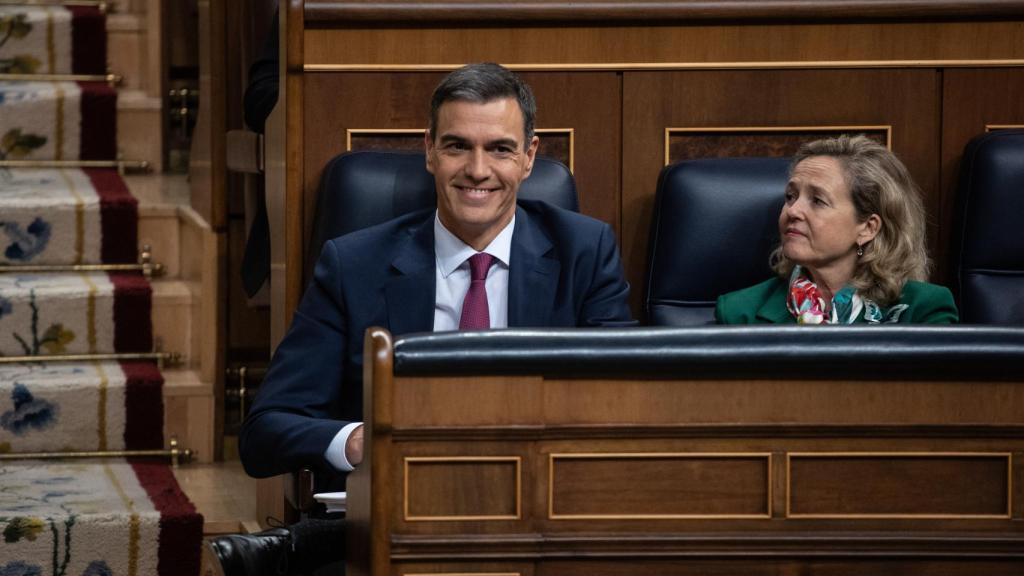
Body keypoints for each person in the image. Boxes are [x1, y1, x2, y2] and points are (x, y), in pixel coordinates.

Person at [214, 63, 634, 575]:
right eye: (458, 145)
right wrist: (357, 441)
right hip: (400, 527)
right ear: (429, 151)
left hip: (537, 521)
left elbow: (622, 411)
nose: (478, 170)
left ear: (529, 157)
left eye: (500, 148)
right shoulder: (355, 265)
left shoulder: (585, 253)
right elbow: (263, 433)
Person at [715, 135, 958, 324]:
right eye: (790, 196)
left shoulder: (922, 310)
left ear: (867, 228)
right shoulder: (738, 311)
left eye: (817, 201)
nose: (792, 211)